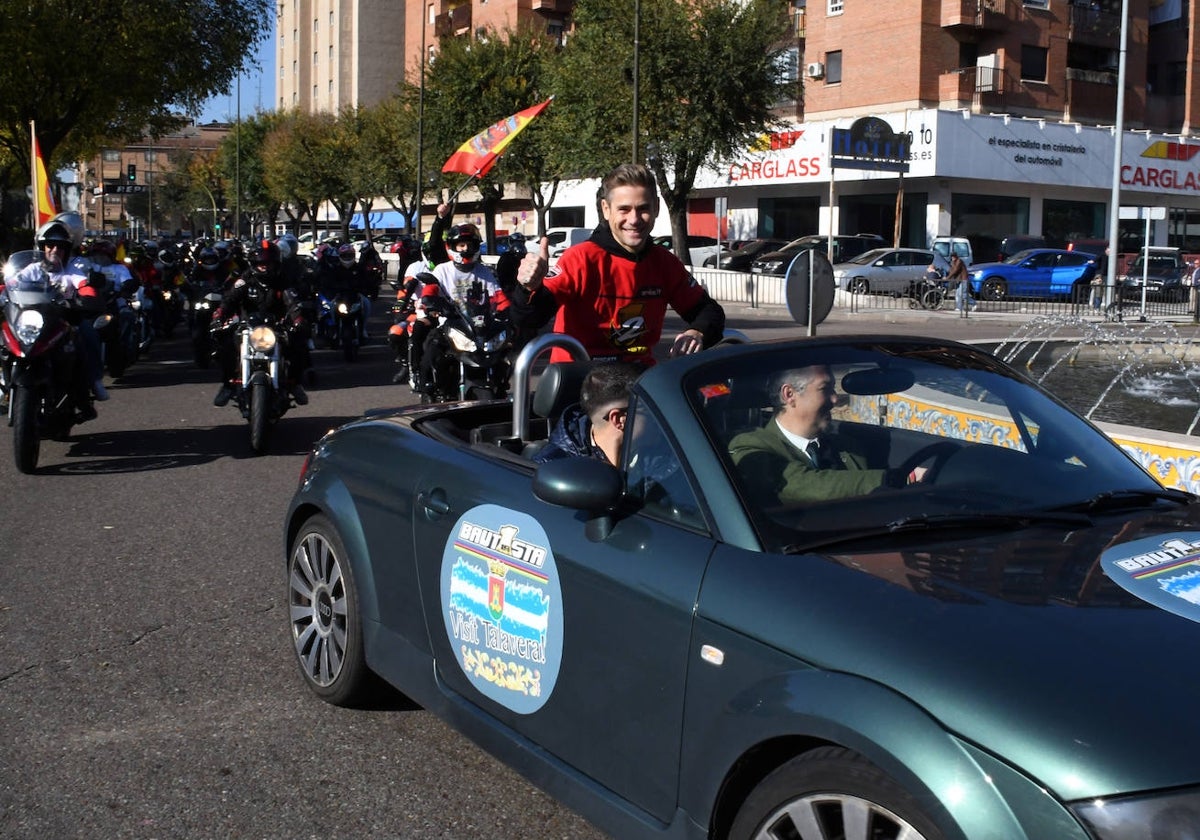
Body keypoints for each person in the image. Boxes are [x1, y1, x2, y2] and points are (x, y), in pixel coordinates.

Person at [511, 163, 725, 364]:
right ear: (606, 209)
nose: (634, 219)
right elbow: (529, 318)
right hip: (579, 382)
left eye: (643, 208)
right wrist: (528, 288)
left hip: (638, 381)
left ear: (657, 208)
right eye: (624, 209)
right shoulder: (581, 259)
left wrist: (697, 332)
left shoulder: (665, 263)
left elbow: (709, 312)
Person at [727, 365, 925, 505]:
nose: (835, 399)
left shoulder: (847, 447)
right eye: (825, 388)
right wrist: (897, 478)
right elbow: (802, 485)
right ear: (789, 395)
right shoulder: (749, 447)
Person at [12, 215, 109, 408]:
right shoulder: (32, 269)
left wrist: (88, 295)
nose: (54, 250)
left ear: (66, 250)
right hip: (32, 320)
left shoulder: (73, 269)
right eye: (50, 245)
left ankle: (95, 380)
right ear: (43, 247)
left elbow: (83, 284)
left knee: (88, 334)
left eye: (60, 246)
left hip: (65, 319)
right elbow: (11, 283)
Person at [211, 240, 310, 407]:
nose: (264, 266)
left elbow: (292, 302)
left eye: (268, 263)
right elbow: (230, 300)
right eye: (260, 263)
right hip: (247, 327)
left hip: (275, 327)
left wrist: (299, 320)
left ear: (276, 263)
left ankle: (294, 384)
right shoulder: (244, 281)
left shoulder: (282, 281)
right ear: (253, 263)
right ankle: (228, 385)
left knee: (299, 345)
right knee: (224, 346)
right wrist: (218, 316)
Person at [411, 222, 506, 394]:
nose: (466, 248)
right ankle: (427, 385)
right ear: (452, 247)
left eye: (470, 244)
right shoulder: (442, 270)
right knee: (432, 352)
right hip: (451, 323)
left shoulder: (485, 272)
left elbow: (500, 296)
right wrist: (432, 301)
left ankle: (500, 385)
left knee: (505, 350)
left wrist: (508, 311)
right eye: (461, 245)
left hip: (479, 326)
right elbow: (430, 290)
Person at [533, 362, 642, 465]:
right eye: (646, 410)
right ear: (620, 420)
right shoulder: (554, 470)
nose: (655, 414)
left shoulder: (648, 453)